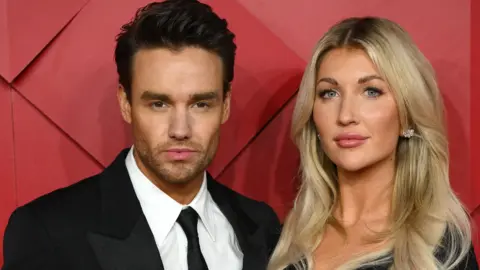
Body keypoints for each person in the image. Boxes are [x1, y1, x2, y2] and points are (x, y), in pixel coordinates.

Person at [2, 1, 281, 269]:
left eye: (201, 104)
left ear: (226, 105)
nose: (180, 130)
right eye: (159, 104)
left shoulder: (261, 226)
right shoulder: (47, 232)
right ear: (126, 104)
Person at [267, 17, 478, 270]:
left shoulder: (439, 248)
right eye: (329, 93)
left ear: (406, 114)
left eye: (371, 91)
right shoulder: (284, 236)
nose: (345, 115)